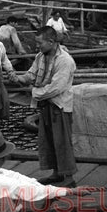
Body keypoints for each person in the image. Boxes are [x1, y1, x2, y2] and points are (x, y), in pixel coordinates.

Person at [16, 26, 77, 187]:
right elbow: (32, 73)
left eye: (40, 43)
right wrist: (20, 78)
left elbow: (56, 87)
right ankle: (57, 174)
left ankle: (69, 178)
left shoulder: (65, 60)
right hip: (45, 106)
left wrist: (34, 92)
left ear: (51, 41)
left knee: (62, 141)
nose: (37, 46)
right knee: (49, 140)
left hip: (59, 106)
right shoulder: (40, 56)